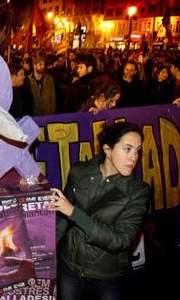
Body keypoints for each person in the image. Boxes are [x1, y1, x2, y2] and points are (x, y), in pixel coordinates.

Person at [45, 121, 150, 300]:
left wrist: (74, 213)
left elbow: (120, 239)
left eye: (137, 150)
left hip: (107, 277)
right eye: (127, 149)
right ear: (108, 150)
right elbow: (63, 219)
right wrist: (45, 254)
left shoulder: (138, 192)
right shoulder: (79, 172)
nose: (134, 157)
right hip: (68, 268)